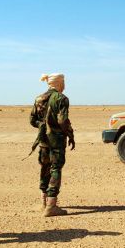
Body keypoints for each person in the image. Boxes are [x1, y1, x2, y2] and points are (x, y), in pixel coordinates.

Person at [30, 73, 76, 217]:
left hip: (43, 140)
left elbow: (32, 120)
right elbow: (62, 121)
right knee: (55, 168)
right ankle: (51, 206)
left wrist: (42, 125)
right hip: (56, 140)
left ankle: (43, 202)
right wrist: (69, 133)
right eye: (64, 82)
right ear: (60, 83)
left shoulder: (38, 98)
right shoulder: (62, 99)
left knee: (45, 167)